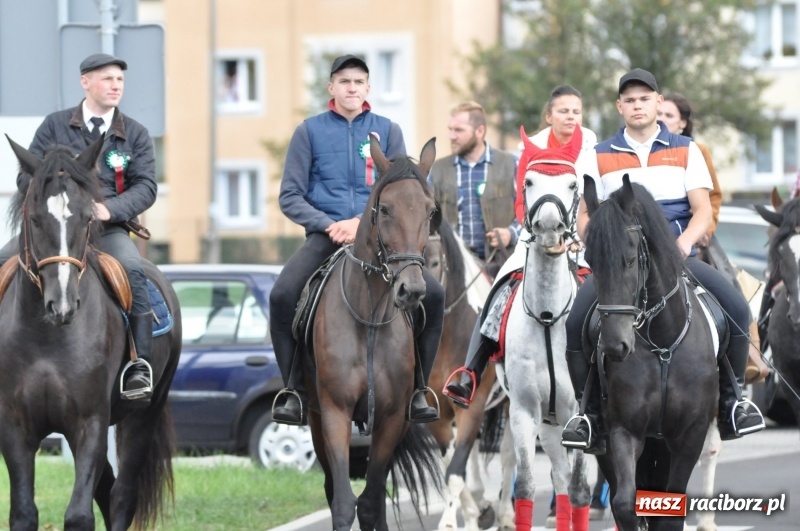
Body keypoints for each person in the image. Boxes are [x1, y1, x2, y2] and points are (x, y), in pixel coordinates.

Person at [560, 69, 765, 453]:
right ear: (619, 106)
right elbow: (585, 216)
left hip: (675, 258)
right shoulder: (597, 154)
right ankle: (588, 413)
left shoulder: (687, 149)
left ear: (657, 103)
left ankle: (731, 402)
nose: (637, 106)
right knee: (575, 323)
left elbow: (702, 210)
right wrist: (601, 243)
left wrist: (684, 243)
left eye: (645, 99)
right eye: (630, 100)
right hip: (620, 267)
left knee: (736, 307)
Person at [269, 54, 444, 426]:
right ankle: (294, 390)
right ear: (331, 87)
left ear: (368, 89)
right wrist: (329, 224)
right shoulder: (309, 131)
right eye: (344, 81)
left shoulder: (388, 130)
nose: (352, 88)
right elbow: (290, 196)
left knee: (436, 295)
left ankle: (418, 390)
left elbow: (406, 191)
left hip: (381, 242)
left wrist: (361, 223)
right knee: (282, 295)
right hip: (326, 237)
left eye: (359, 82)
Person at [0, 53, 158, 402]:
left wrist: (108, 209)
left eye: (120, 80)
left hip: (107, 227)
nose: (116, 85)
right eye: (107, 79)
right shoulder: (54, 125)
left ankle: (139, 363)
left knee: (132, 269)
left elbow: (146, 186)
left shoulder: (135, 133)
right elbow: (25, 176)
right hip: (53, 227)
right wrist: (53, 195)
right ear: (85, 82)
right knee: (1, 262)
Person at [443, 85, 597, 407]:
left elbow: (590, 198)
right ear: (549, 115)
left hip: (577, 237)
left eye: (576, 111)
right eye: (563, 111)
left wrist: (576, 239)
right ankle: (471, 371)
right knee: (499, 287)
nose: (571, 117)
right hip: (534, 235)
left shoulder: (590, 144)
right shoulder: (530, 146)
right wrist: (535, 235)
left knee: (603, 292)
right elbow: (520, 202)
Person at [659, 93, 768, 383]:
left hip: (697, 239)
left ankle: (748, 361)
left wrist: (706, 229)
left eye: (669, 116)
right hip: (657, 245)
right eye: (659, 115)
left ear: (682, 123)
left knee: (732, 289)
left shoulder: (697, 150)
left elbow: (714, 195)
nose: (662, 120)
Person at [428, 101, 519, 275]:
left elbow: (528, 213)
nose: (452, 136)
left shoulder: (511, 164)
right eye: (450, 129)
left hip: (502, 266)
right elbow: (425, 218)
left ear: (480, 131)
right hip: (453, 270)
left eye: (459, 130)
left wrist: (511, 233)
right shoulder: (437, 170)